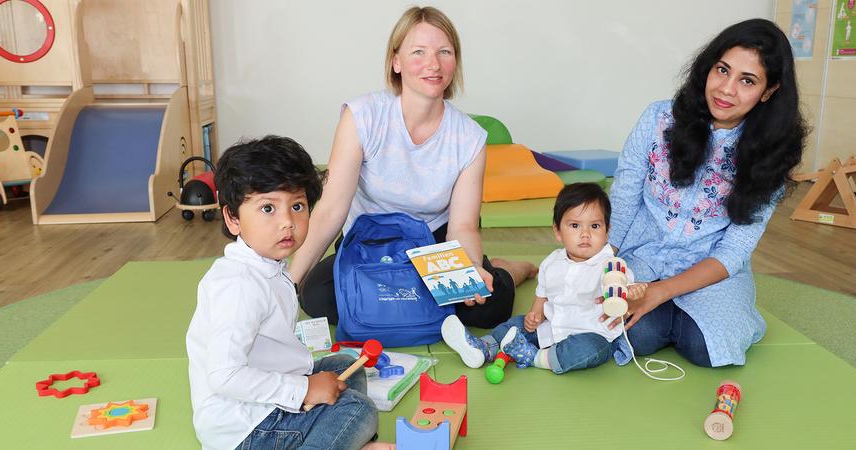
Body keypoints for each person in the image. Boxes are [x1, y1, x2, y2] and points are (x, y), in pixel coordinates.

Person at [291, 6, 535, 329]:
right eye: (418, 52)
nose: (433, 64)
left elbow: (462, 225)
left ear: (454, 62)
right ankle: (415, 300)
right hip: (370, 243)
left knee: (489, 308)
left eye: (444, 52)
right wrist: (286, 284)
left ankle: (508, 269)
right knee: (316, 297)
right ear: (396, 62)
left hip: (433, 243)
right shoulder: (362, 116)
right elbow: (331, 210)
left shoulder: (470, 137)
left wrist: (473, 267)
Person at [604, 19, 806, 368]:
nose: (726, 89)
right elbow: (624, 196)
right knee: (630, 332)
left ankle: (685, 310)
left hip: (708, 269)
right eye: (722, 70)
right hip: (641, 254)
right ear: (708, 67)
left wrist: (660, 291)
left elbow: (735, 249)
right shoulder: (658, 118)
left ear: (769, 91)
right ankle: (664, 316)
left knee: (705, 349)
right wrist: (603, 265)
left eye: (747, 81)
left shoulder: (772, 153)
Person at [185, 136, 391, 450]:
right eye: (268, 208)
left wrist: (306, 385)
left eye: (297, 206)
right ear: (232, 218)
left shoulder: (267, 263)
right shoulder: (239, 285)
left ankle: (342, 439)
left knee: (342, 367)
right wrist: (304, 388)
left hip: (270, 394)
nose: (287, 223)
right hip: (247, 428)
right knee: (359, 409)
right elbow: (224, 376)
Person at [441, 183, 646, 374]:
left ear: (607, 231)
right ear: (557, 231)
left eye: (594, 226)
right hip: (552, 326)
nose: (585, 234)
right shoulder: (552, 262)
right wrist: (535, 314)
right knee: (517, 324)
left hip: (591, 333)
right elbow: (543, 294)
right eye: (575, 226)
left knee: (592, 350)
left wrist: (632, 292)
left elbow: (619, 288)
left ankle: (534, 357)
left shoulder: (610, 264)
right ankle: (484, 347)